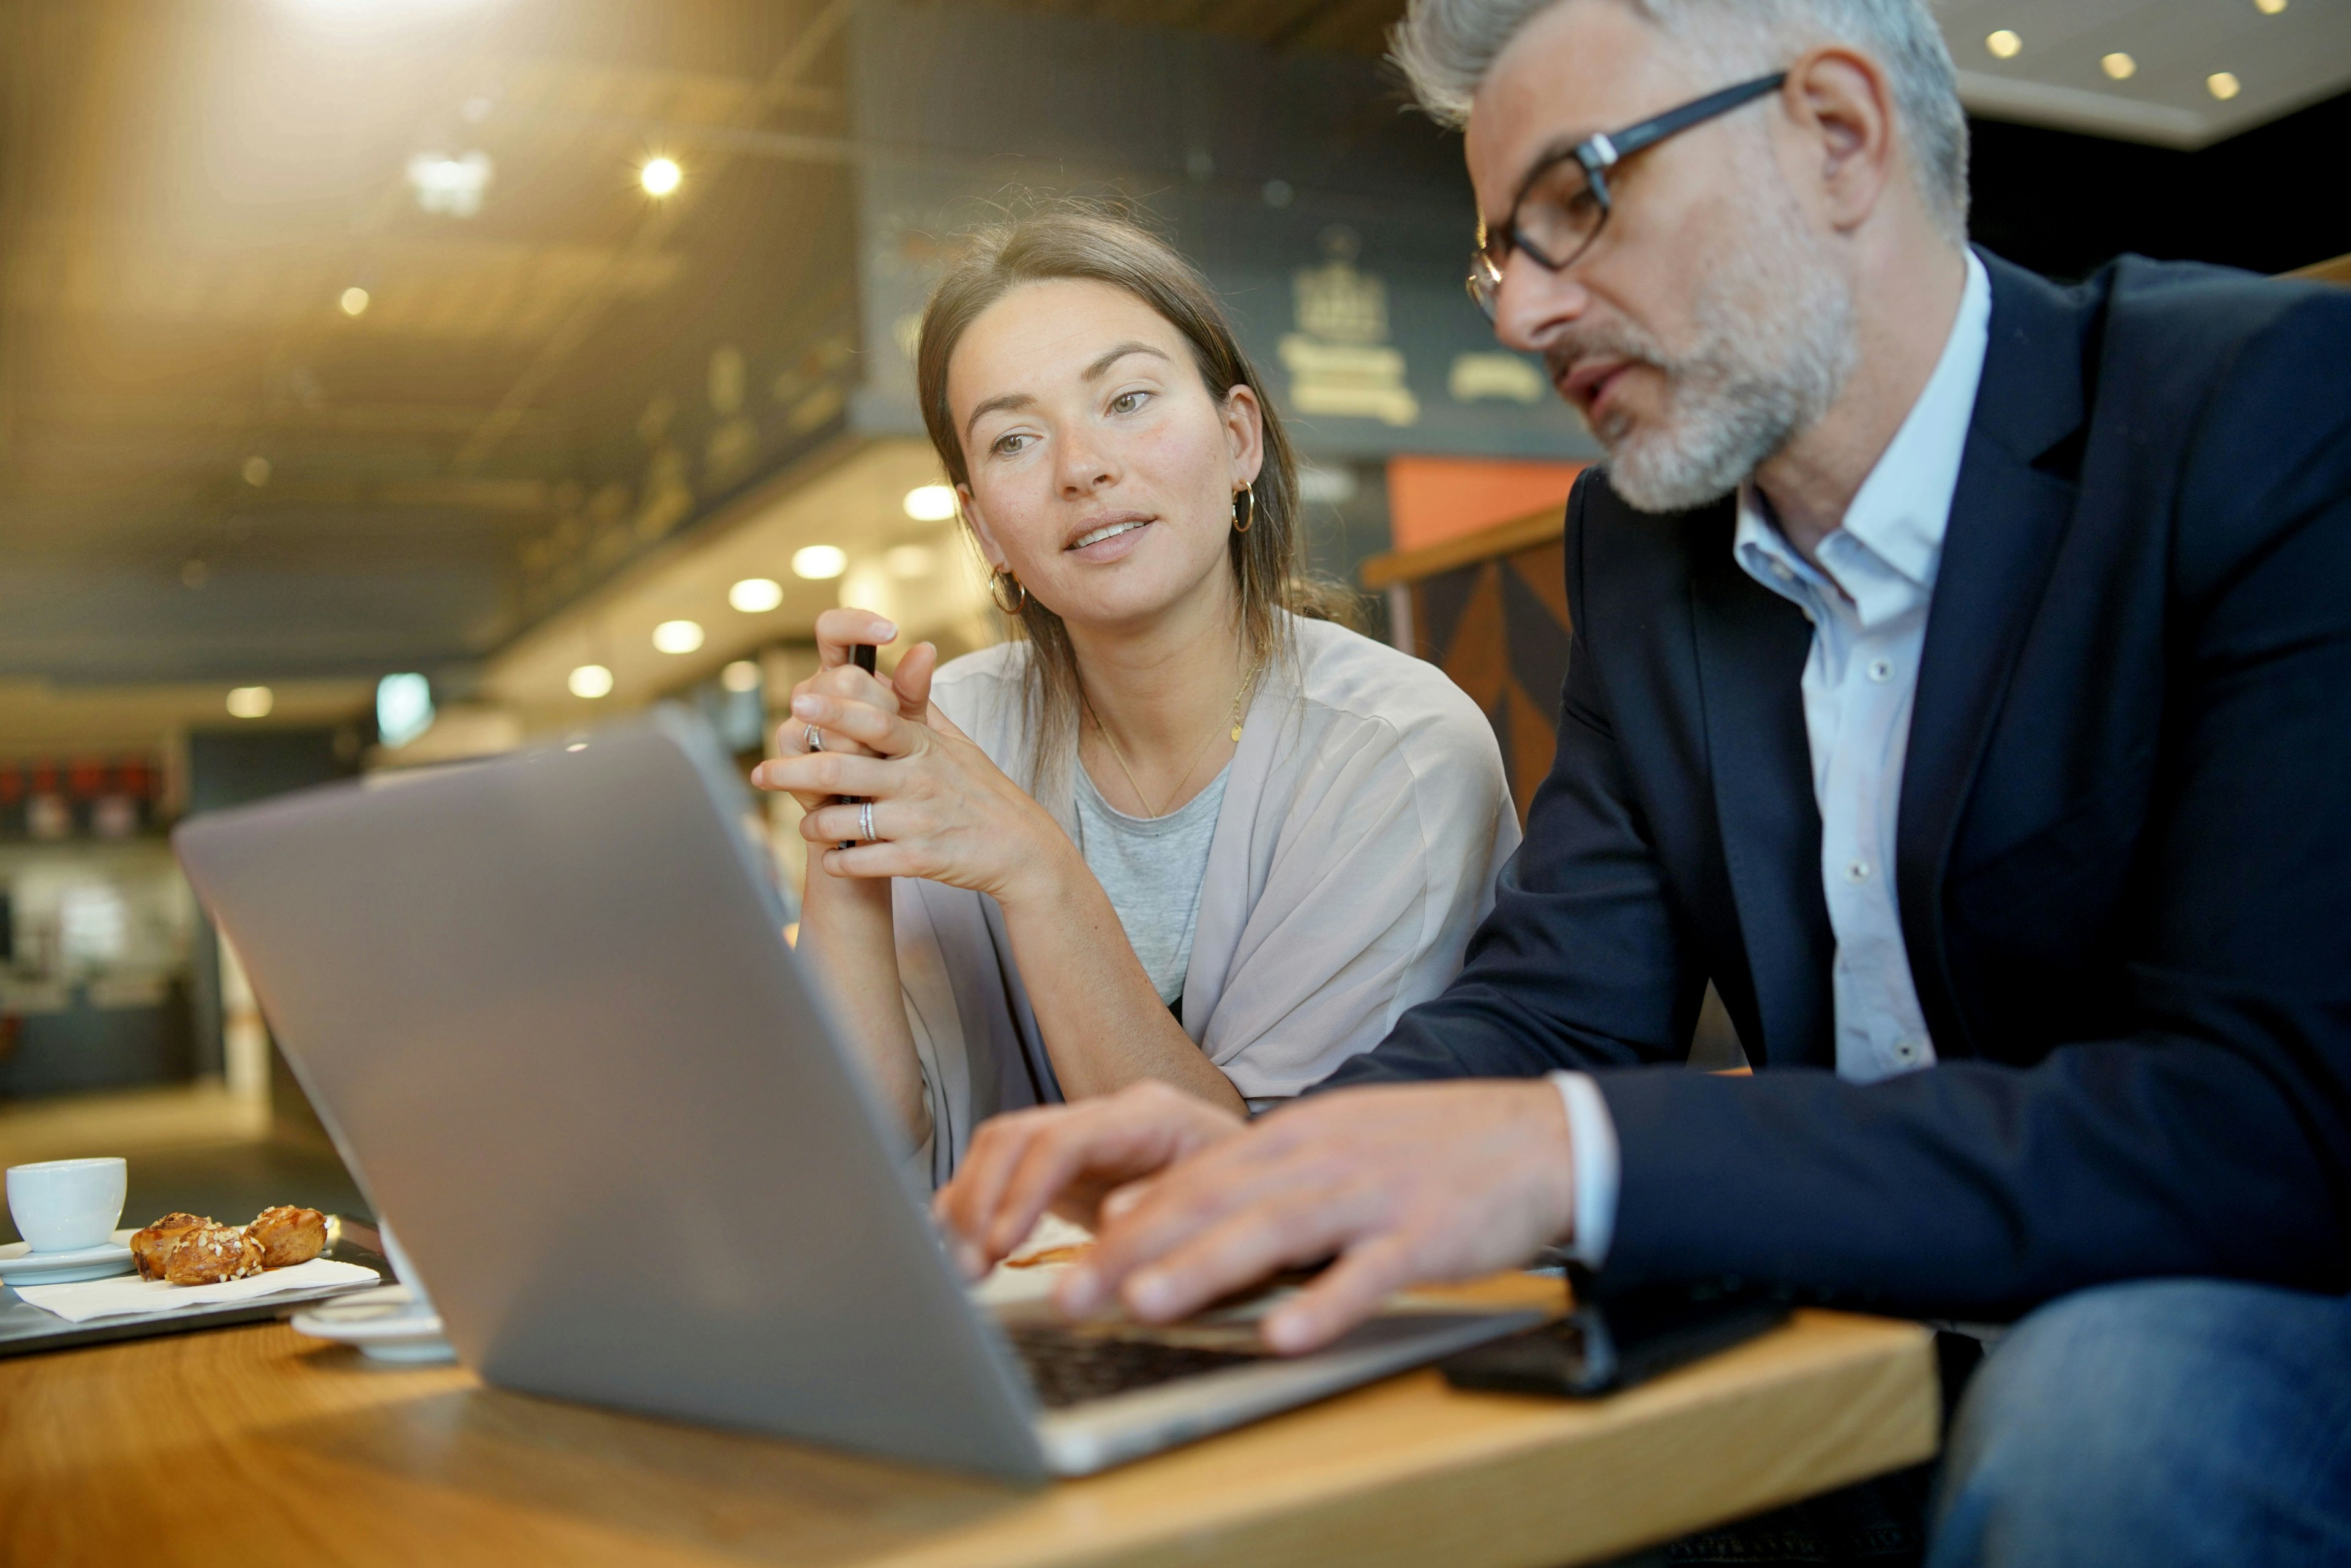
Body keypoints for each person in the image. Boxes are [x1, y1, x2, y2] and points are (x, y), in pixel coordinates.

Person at [929, 1, 2351, 1562]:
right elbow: (1555, 1004)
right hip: (1859, 1319)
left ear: (1837, 135)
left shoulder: (2268, 411)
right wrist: (1279, 1164)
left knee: (2109, 1418)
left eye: (1579, 201)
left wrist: (1573, 1153)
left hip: (2224, 1306)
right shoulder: (1645, 546)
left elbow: (2267, 1119)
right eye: (1501, 254)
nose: (1523, 312)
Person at [754, 208, 1518, 1185]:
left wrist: (1035, 868)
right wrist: (845, 840)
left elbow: (1249, 1195)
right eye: (1016, 440)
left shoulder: (1395, 751)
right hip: (1026, 1327)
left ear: (1238, 439)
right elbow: (854, 1163)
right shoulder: (950, 732)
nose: (1083, 468)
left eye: (1126, 400)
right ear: (984, 528)